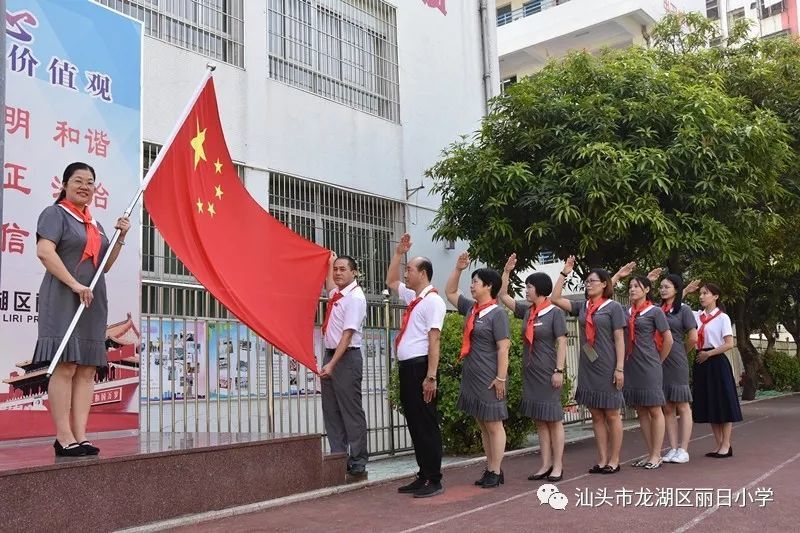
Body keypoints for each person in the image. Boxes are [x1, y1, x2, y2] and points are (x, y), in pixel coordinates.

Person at [33, 162, 131, 457]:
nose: (85, 186)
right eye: (78, 181)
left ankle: (81, 435)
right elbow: (44, 251)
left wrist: (120, 237)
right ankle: (63, 437)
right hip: (64, 297)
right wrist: (74, 284)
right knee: (65, 366)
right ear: (64, 184)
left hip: (93, 300)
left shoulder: (95, 225)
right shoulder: (55, 214)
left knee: (87, 369)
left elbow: (105, 265)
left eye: (90, 182)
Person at [551, 256, 626, 475]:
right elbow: (555, 298)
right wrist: (564, 273)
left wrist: (619, 368)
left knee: (612, 414)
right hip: (588, 366)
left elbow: (620, 339)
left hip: (608, 365)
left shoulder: (613, 307)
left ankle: (614, 460)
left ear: (604, 284)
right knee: (596, 415)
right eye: (587, 280)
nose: (588, 283)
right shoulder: (582, 306)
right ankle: (602, 460)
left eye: (593, 281)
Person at [385, 233, 447, 498]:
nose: (406, 273)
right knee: (414, 422)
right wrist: (398, 253)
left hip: (422, 368)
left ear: (423, 273)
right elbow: (390, 281)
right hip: (407, 368)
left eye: (410, 269)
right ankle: (423, 474)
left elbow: (434, 339)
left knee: (426, 424)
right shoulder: (414, 298)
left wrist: (431, 376)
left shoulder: (433, 301)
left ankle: (434, 478)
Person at [499, 254, 567, 482]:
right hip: (531, 374)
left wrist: (559, 370)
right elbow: (503, 295)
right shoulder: (528, 312)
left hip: (549, 373)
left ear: (539, 289)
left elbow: (563, 342)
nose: (526, 291)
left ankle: (558, 465)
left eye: (529, 287)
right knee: (540, 420)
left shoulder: (555, 313)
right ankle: (545, 464)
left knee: (553, 419)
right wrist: (507, 272)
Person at [445, 252, 510, 488]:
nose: (471, 286)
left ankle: (495, 469)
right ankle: (491, 468)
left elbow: (504, 348)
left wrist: (501, 377)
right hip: (472, 374)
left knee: (494, 423)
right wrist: (458, 268)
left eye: (475, 282)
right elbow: (450, 292)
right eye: (471, 282)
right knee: (482, 423)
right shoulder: (472, 309)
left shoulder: (497, 313)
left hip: (490, 376)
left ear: (489, 286)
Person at [320, 253, 369, 475]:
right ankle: (339, 456)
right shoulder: (338, 295)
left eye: (342, 269)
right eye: (336, 269)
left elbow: (347, 335)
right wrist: (329, 262)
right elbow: (330, 286)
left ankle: (358, 460)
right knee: (331, 410)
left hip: (346, 358)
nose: (337, 273)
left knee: (350, 410)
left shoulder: (355, 298)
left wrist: (332, 365)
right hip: (331, 356)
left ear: (354, 272)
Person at [683, 280, 742, 458]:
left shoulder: (723, 317)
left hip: (716, 361)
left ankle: (726, 444)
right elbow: (676, 306)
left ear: (715, 296)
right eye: (700, 293)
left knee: (722, 402)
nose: (701, 296)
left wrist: (709, 354)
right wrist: (685, 290)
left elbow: (729, 344)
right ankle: (719, 445)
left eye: (705, 293)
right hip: (701, 362)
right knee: (710, 403)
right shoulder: (696, 316)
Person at [622, 276, 673, 469]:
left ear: (647, 290)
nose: (632, 289)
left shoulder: (655, 311)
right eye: (630, 286)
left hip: (650, 365)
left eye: (637, 286)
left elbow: (668, 339)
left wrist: (659, 360)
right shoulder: (627, 312)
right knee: (641, 409)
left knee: (654, 408)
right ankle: (650, 452)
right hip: (632, 365)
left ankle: (656, 454)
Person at [646, 270, 697, 464]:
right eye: (661, 287)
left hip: (676, 359)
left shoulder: (683, 309)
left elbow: (693, 337)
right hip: (658, 359)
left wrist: (681, 351)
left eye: (667, 286)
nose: (663, 290)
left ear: (677, 290)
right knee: (667, 406)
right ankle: (673, 448)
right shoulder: (657, 309)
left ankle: (684, 449)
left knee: (682, 404)